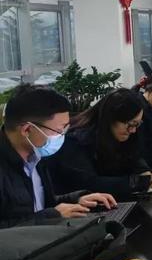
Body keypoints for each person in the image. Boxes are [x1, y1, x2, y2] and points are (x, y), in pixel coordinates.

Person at [0, 85, 116, 228]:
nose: (61, 136)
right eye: (58, 130)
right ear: (27, 130)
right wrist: (52, 216)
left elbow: (41, 205)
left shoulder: (36, 155)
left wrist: (77, 200)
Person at [50, 88, 152, 199]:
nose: (133, 130)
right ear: (111, 118)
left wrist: (144, 171)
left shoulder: (119, 133)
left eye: (137, 124)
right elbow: (90, 184)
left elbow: (133, 154)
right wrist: (140, 182)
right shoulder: (77, 139)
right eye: (130, 124)